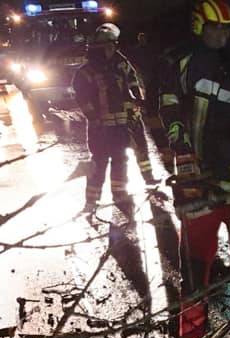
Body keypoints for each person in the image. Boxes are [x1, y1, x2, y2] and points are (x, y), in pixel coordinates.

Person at [156, 0, 230, 338]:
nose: (221, 34)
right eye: (214, 28)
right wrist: (180, 143)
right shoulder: (179, 62)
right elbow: (167, 105)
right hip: (198, 184)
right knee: (194, 271)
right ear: (198, 26)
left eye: (226, 29)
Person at [72, 23, 150, 218]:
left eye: (113, 45)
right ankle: (91, 201)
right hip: (100, 129)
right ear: (99, 47)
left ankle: (119, 194)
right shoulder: (86, 71)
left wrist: (136, 101)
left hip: (121, 126)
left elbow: (132, 83)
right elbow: (82, 98)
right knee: (98, 164)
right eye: (109, 46)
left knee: (120, 161)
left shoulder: (120, 63)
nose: (112, 49)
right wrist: (94, 118)